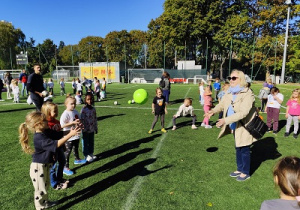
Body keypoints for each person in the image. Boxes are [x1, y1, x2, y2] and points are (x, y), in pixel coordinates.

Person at [18, 111, 80, 210]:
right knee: (40, 190)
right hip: (38, 168)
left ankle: (45, 203)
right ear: (37, 125)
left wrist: (71, 131)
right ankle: (40, 207)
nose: (47, 122)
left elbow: (58, 134)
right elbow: (56, 144)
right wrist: (70, 135)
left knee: (45, 187)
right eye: (45, 121)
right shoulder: (39, 138)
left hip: (45, 165)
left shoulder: (45, 131)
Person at [205, 70, 257, 181]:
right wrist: (213, 111)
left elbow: (243, 113)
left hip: (245, 125)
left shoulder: (248, 93)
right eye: (230, 78)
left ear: (241, 79)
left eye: (234, 78)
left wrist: (225, 120)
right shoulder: (230, 91)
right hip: (234, 124)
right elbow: (222, 104)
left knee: (244, 148)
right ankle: (239, 169)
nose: (231, 80)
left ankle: (245, 172)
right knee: (238, 146)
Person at [41, 102, 69, 190]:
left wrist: (63, 145)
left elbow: (60, 135)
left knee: (62, 161)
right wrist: (51, 152)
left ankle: (59, 178)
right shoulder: (47, 125)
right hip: (52, 149)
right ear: (47, 112)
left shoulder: (57, 122)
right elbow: (48, 140)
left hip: (59, 146)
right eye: (54, 111)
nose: (56, 112)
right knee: (53, 166)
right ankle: (54, 184)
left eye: (57, 110)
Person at [60, 96, 86, 176]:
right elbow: (62, 126)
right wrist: (71, 123)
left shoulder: (75, 111)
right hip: (68, 136)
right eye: (71, 104)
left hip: (76, 134)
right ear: (66, 104)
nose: (73, 105)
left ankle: (77, 159)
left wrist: (81, 125)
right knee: (67, 152)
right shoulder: (65, 114)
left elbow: (79, 120)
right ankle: (65, 167)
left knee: (76, 148)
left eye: (74, 103)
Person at [81, 92, 98, 162]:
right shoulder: (83, 109)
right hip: (85, 129)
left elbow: (95, 118)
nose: (89, 101)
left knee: (91, 142)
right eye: (88, 99)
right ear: (85, 100)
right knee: (85, 142)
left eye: (91, 99)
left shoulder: (93, 109)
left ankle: (91, 153)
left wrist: (96, 127)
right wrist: (83, 128)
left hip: (92, 129)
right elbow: (82, 119)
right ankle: (86, 155)